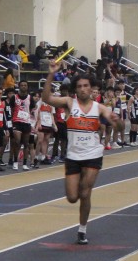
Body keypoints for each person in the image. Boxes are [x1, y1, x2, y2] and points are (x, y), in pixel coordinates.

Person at [42, 59, 123, 245]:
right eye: (79, 86)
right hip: (73, 155)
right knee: (72, 197)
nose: (83, 89)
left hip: (93, 154)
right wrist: (51, 74)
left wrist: (117, 120)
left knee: (85, 194)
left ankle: (82, 229)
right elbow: (47, 99)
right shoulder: (69, 103)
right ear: (75, 89)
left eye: (86, 86)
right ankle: (80, 188)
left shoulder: (100, 108)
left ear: (91, 88)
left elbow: (118, 127)